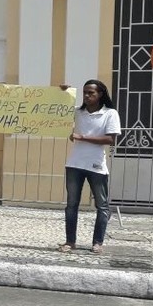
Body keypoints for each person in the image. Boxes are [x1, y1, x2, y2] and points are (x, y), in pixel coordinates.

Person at [60, 79, 121, 254]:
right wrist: (63, 94)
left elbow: (110, 139)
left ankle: (97, 242)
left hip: (96, 166)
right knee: (71, 205)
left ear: (100, 94)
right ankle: (70, 241)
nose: (86, 95)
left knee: (101, 206)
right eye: (85, 92)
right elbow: (58, 113)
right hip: (74, 164)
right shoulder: (78, 112)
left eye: (91, 93)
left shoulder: (110, 114)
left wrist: (82, 137)